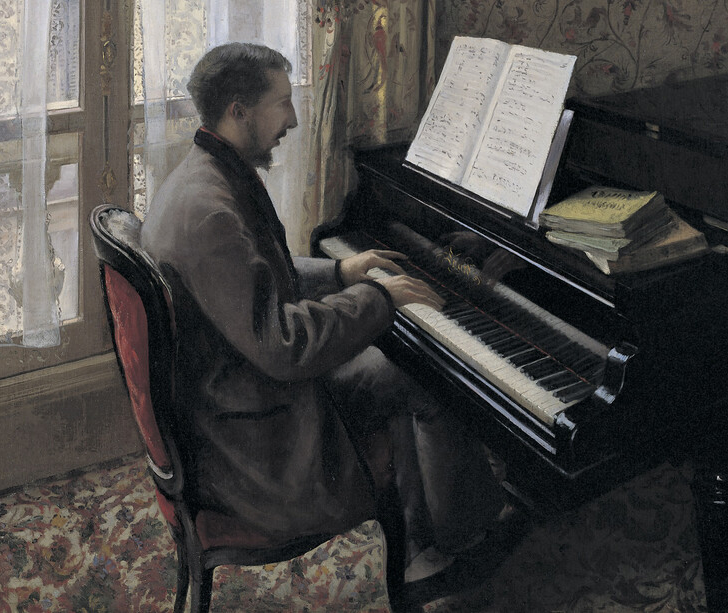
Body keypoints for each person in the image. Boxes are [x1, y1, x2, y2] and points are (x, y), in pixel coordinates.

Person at [139, 42, 512, 593]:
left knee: (403, 371)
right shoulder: (209, 211)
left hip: (239, 396)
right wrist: (382, 300)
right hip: (254, 442)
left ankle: (425, 536)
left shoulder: (206, 176)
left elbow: (256, 275)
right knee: (429, 378)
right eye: (281, 104)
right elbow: (284, 346)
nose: (292, 119)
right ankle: (465, 539)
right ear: (239, 111)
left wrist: (341, 274)